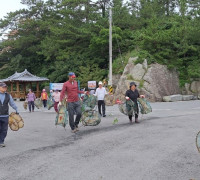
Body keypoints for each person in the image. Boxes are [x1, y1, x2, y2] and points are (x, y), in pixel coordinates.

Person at [0, 82, 19, 147]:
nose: (4, 88)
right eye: (3, 87)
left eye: (5, 87)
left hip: (5, 115)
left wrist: (16, 109)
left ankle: (1, 141)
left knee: (4, 130)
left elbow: (12, 103)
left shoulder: (8, 95)